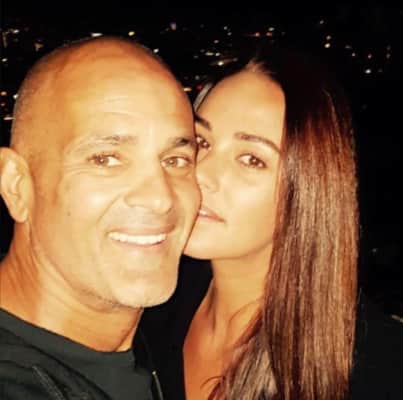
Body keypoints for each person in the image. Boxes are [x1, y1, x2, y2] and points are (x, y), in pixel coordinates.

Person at [138, 45, 403, 399]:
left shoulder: (376, 369)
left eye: (251, 159)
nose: (201, 173)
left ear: (309, 190)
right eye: (201, 141)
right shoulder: (152, 300)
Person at [0, 36, 200, 399]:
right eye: (105, 159)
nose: (159, 198)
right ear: (16, 186)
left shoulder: (167, 342)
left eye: (175, 160)